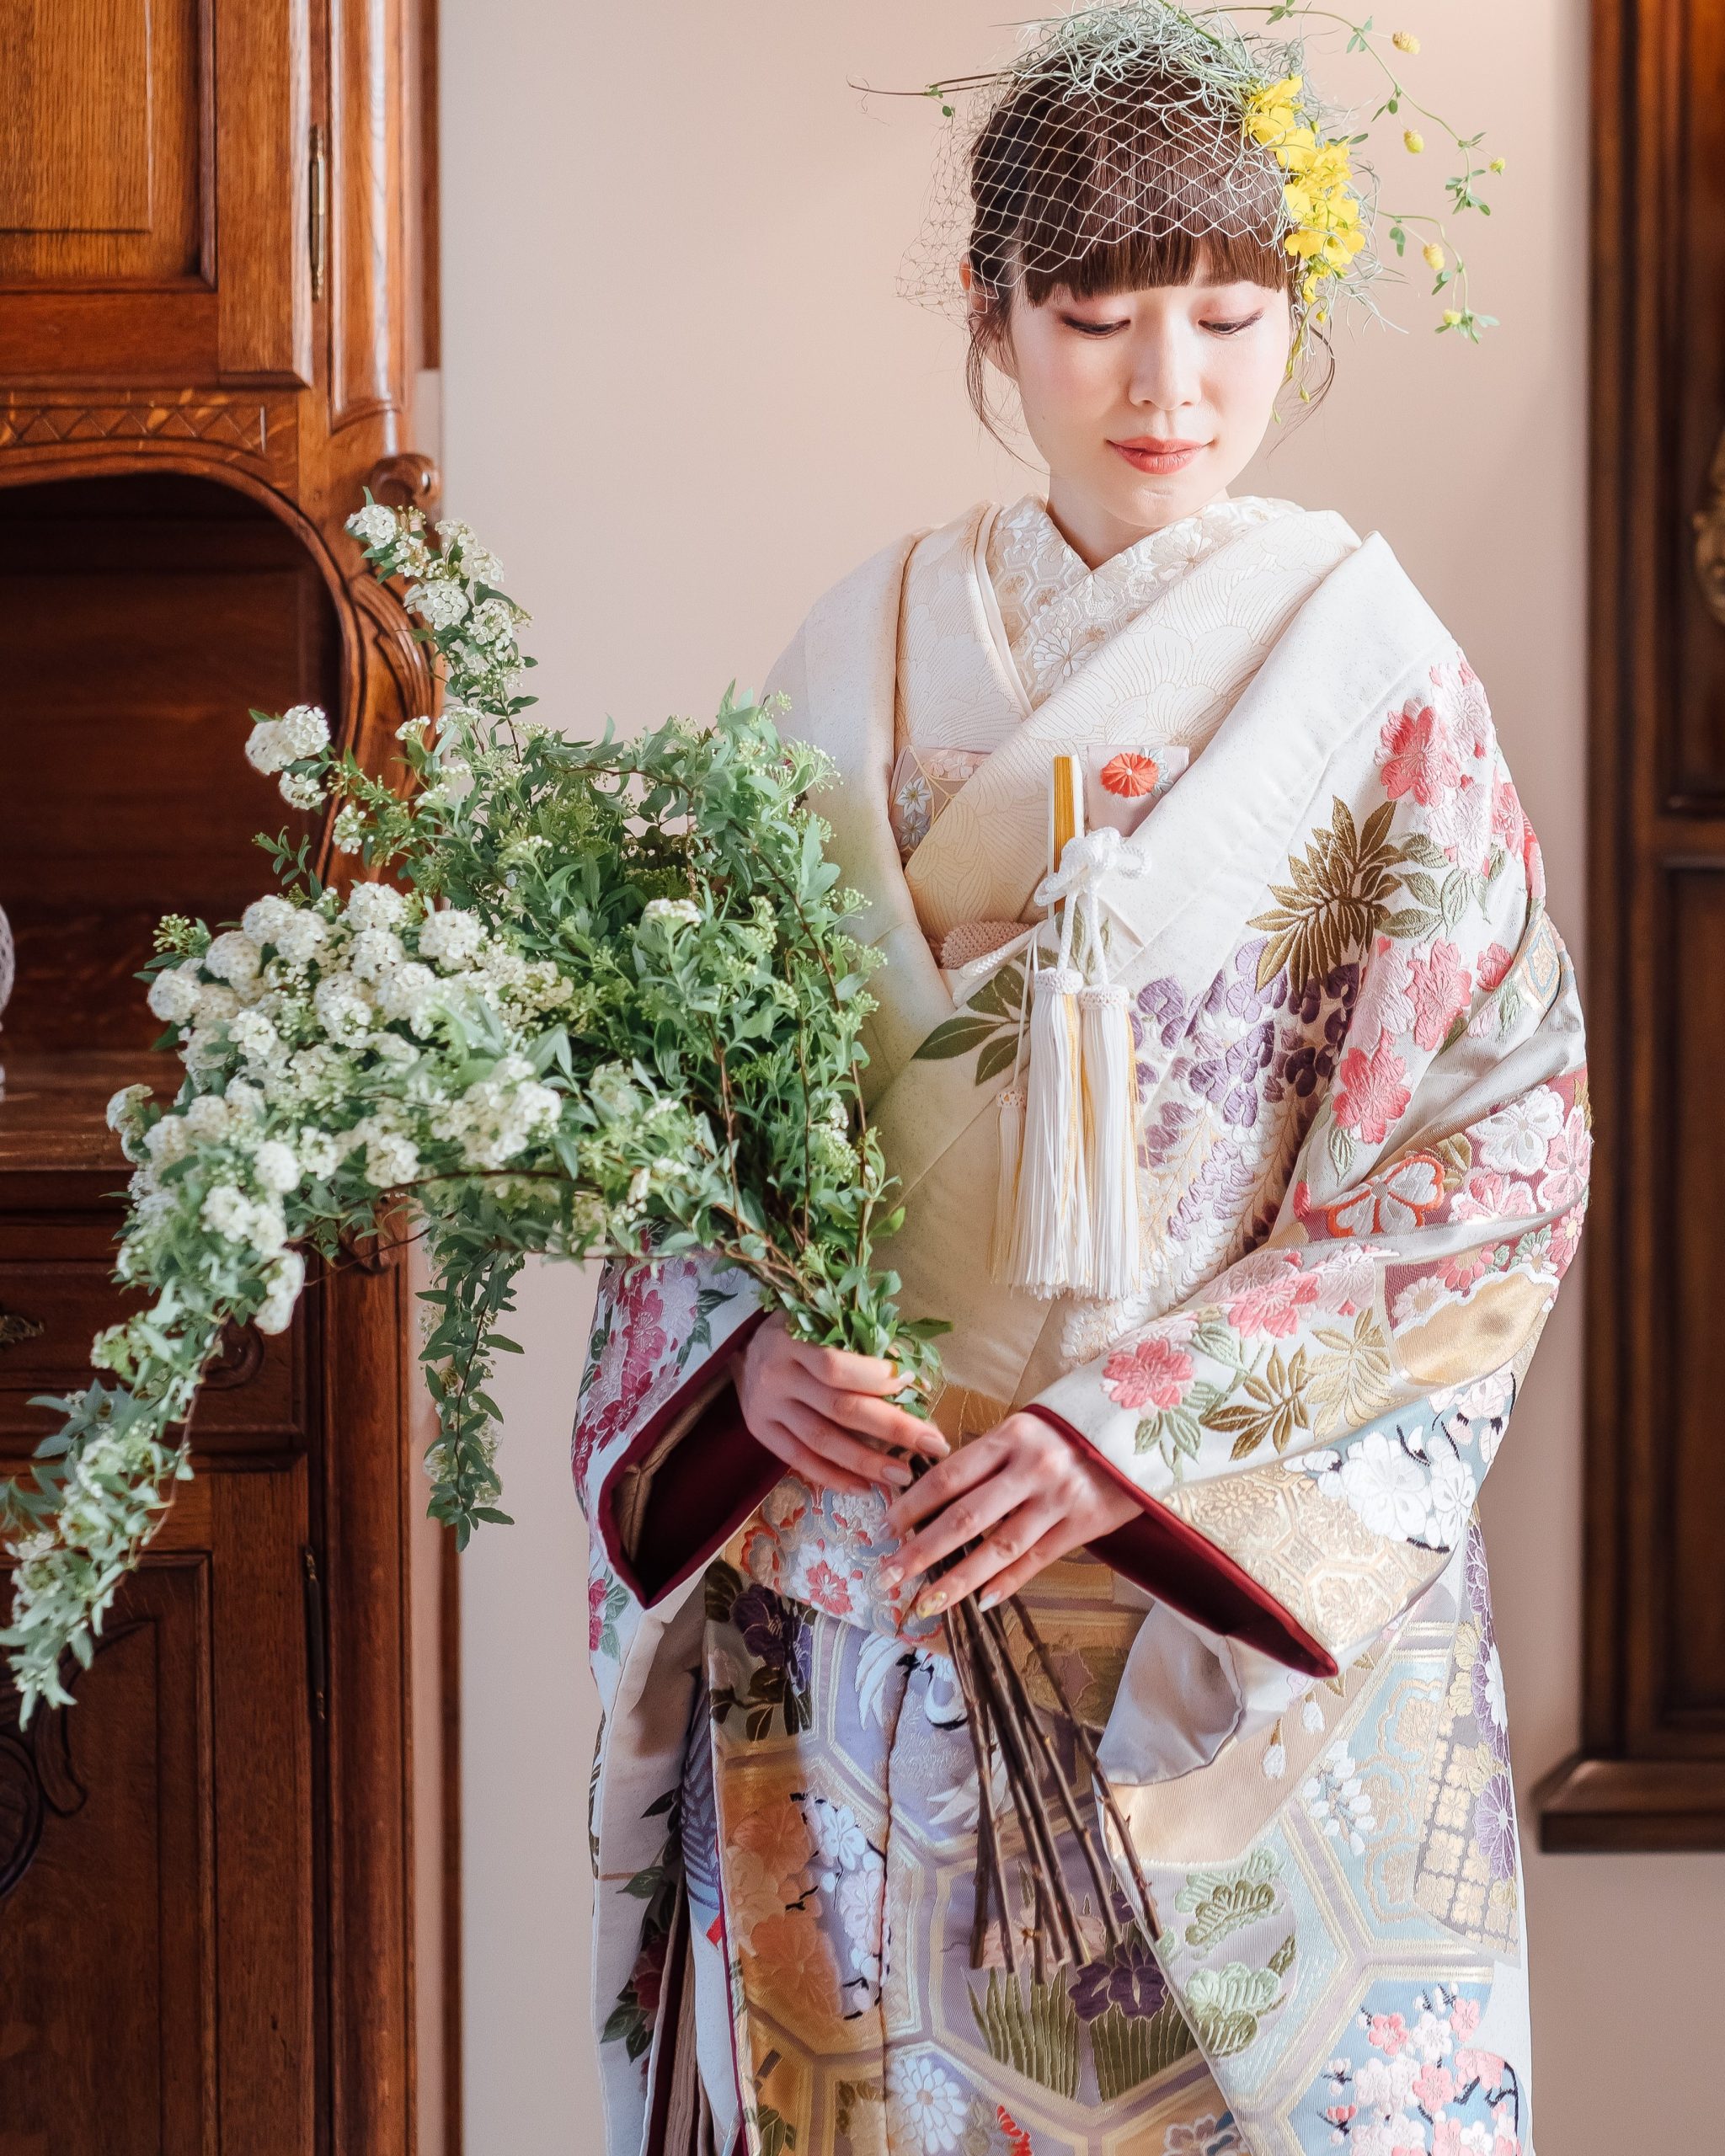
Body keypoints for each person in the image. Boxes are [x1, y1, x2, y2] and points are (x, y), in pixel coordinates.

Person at [574, 13, 1585, 2154]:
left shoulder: (1376, 678)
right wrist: (742, 1365)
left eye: (1230, 316)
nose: (1167, 386)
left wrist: (1123, 1436)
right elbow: (699, 1127)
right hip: (876, 1569)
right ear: (992, 318)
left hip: (1213, 1602)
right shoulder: (851, 661)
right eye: (1096, 316)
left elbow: (1481, 1161)